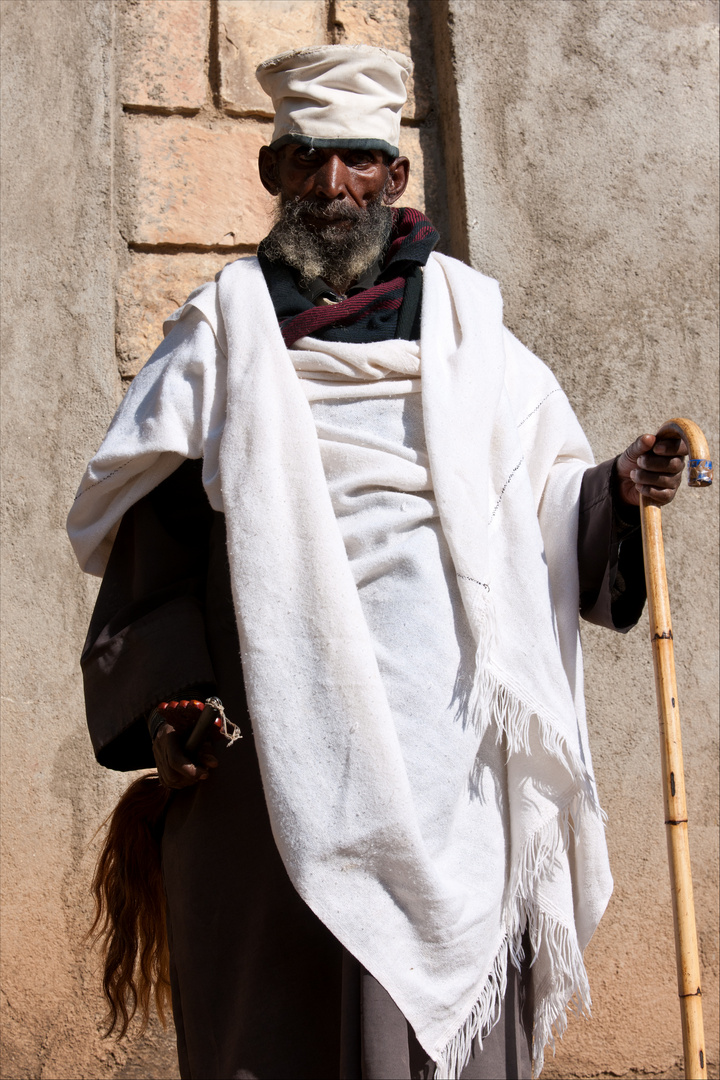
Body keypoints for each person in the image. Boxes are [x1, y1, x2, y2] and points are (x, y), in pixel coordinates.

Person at [67, 45, 688, 1080]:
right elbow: (155, 535)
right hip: (272, 754)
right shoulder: (221, 336)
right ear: (273, 176)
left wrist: (617, 491)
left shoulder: (474, 333)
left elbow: (544, 505)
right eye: (307, 160)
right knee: (278, 1022)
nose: (333, 186)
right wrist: (174, 698)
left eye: (359, 160)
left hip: (454, 761)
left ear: (397, 176)